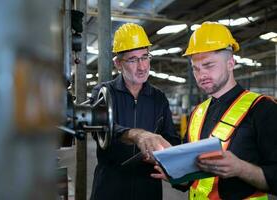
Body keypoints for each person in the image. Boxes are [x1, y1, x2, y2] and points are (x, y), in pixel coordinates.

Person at [151, 21, 277, 199]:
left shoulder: (263, 109)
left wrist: (241, 168)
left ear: (230, 63)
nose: (201, 75)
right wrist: (175, 174)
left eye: (209, 65)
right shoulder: (197, 112)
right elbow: (193, 176)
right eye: (196, 68)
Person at [89, 23, 180, 200]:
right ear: (118, 63)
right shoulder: (104, 93)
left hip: (148, 189)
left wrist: (164, 153)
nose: (142, 66)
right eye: (132, 59)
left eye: (145, 57)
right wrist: (135, 135)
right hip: (110, 187)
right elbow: (98, 127)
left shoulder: (158, 98)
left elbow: (171, 138)